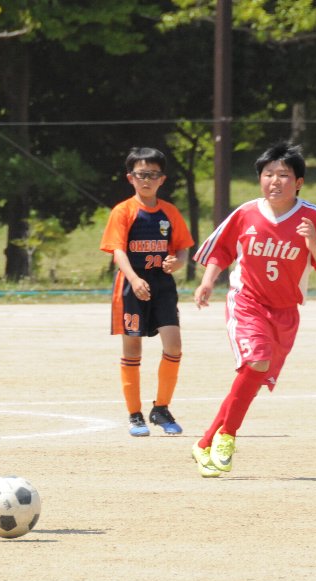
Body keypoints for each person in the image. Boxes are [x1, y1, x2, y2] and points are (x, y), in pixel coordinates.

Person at [191, 141, 316, 477]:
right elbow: (221, 249)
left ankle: (204, 442)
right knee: (257, 361)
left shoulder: (312, 217)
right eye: (268, 174)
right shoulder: (246, 213)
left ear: (299, 182)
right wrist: (207, 282)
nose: (275, 181)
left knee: (252, 378)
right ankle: (227, 437)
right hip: (247, 302)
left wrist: (313, 243)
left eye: (284, 175)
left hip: (286, 311)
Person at [99, 147, 194, 437]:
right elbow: (117, 251)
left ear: (162, 179)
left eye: (153, 175)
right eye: (141, 174)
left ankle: (161, 408)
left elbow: (183, 249)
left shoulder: (169, 212)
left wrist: (177, 262)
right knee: (133, 349)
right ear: (130, 177)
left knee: (174, 345)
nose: (147, 180)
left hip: (162, 286)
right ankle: (135, 415)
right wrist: (134, 278)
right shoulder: (123, 211)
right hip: (132, 286)